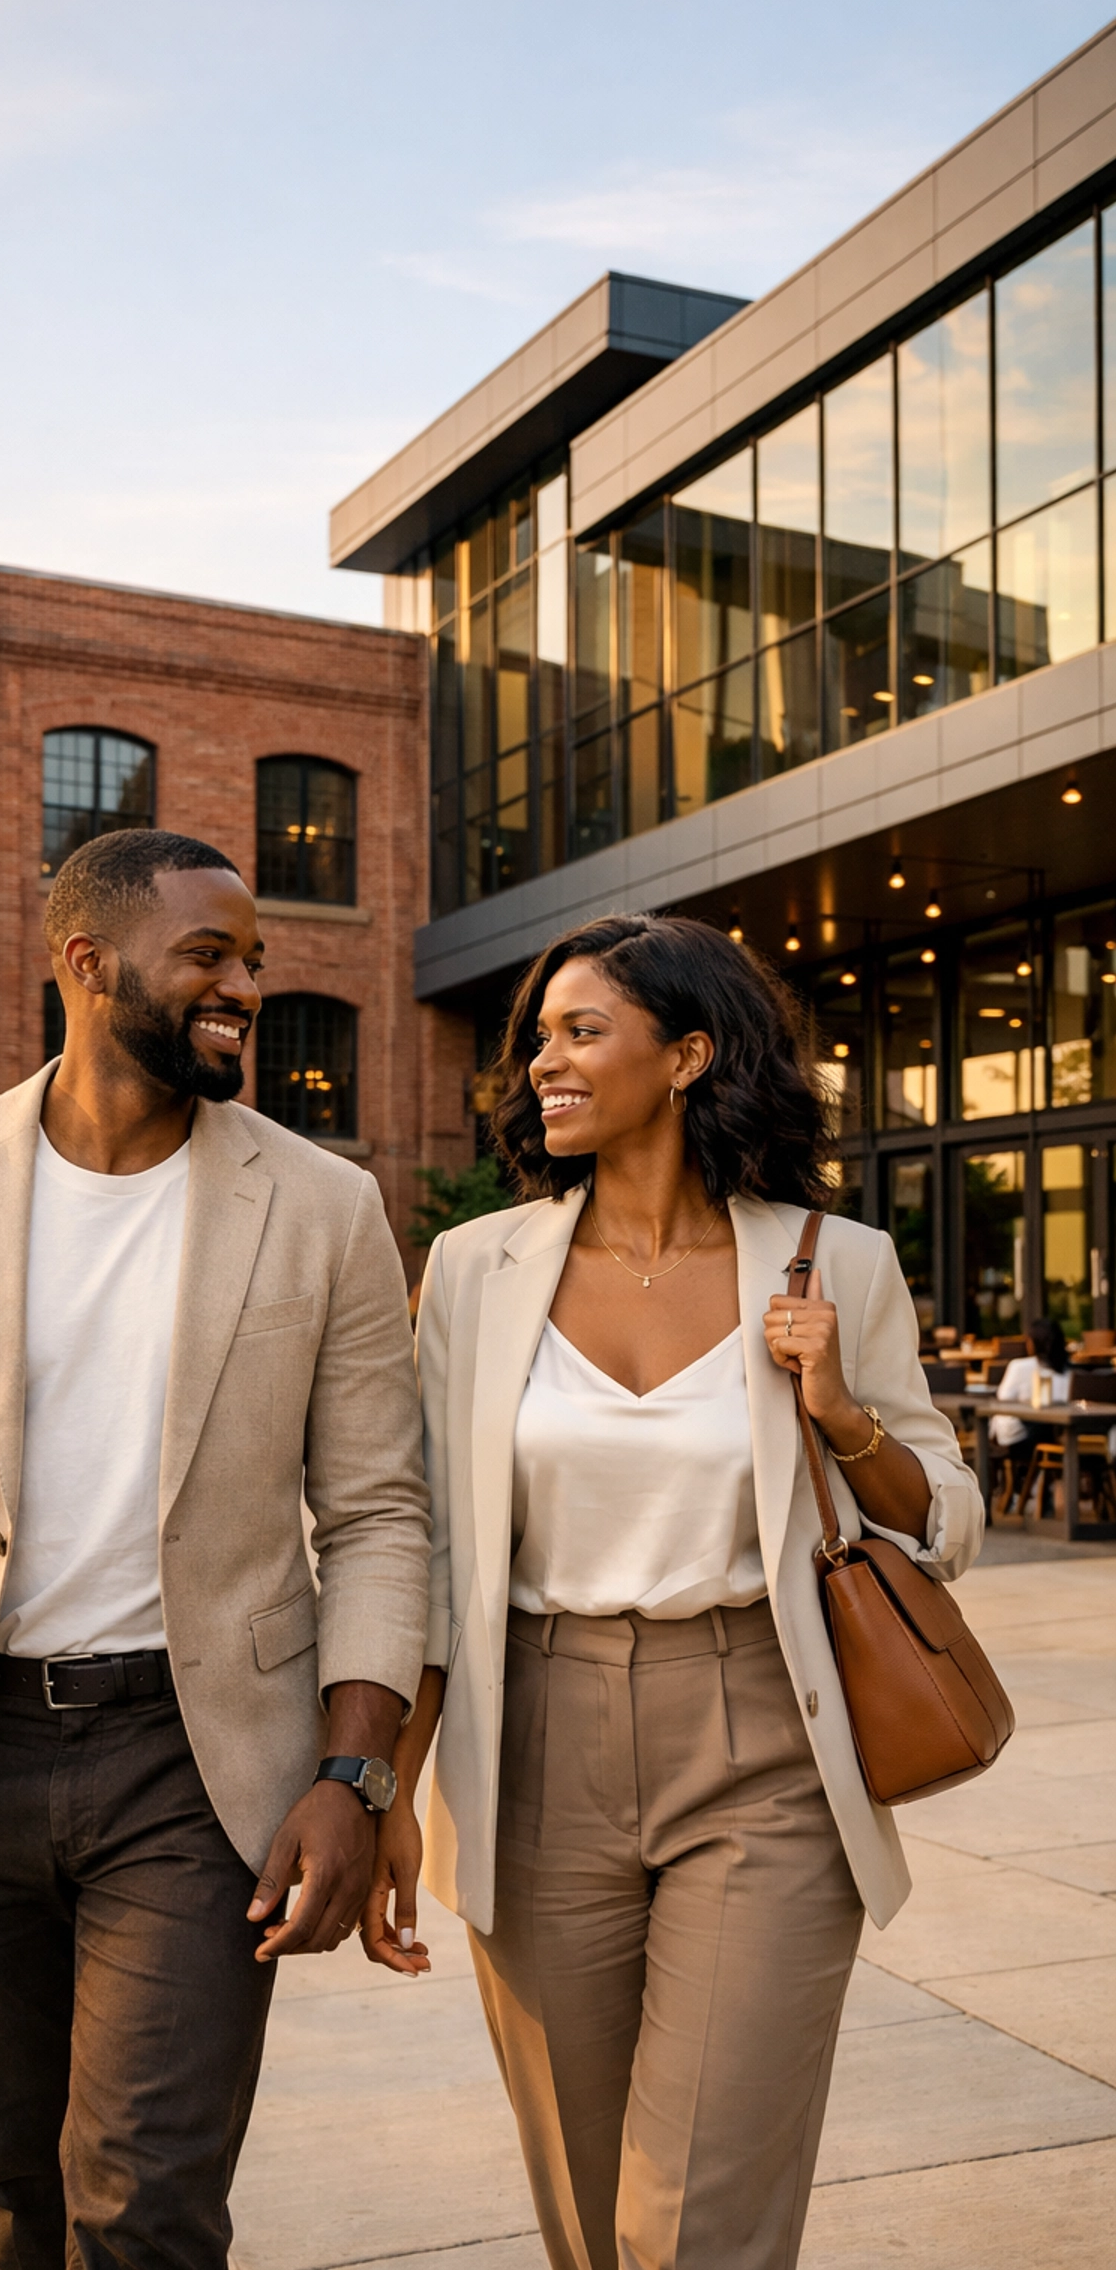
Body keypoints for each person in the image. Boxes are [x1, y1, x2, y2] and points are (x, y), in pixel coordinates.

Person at [0, 828, 430, 2270]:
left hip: (195, 1770)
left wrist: (356, 1771)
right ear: (86, 963)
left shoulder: (324, 1207)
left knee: (145, 2201)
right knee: (16, 2190)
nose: (244, 988)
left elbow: (382, 1512)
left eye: (254, 961)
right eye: (210, 955)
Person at [359, 913, 982, 2270]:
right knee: (589, 2210)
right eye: (539, 1039)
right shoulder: (475, 1271)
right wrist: (389, 1790)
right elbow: (426, 1545)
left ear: (690, 1053)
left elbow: (949, 1517)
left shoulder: (837, 1260)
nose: (543, 1064)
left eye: (583, 1032)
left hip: (763, 1738)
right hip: (533, 1742)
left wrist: (842, 1415)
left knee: (694, 2217)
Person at [989, 1317, 1071, 1498]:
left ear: (1033, 1342)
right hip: (1047, 1435)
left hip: (1019, 1437)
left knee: (1041, 1427)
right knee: (1046, 1429)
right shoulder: (1066, 1370)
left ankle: (1031, 1487)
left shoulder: (1020, 1367)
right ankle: (1039, 1487)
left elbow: (1003, 1398)